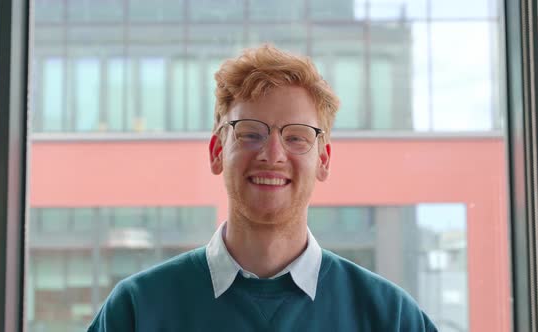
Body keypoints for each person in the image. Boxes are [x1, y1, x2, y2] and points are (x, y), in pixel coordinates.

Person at [88, 45, 438, 331]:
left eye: (297, 137)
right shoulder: (137, 310)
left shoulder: (390, 318)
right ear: (217, 152)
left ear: (324, 160)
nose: (272, 155)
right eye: (251, 134)